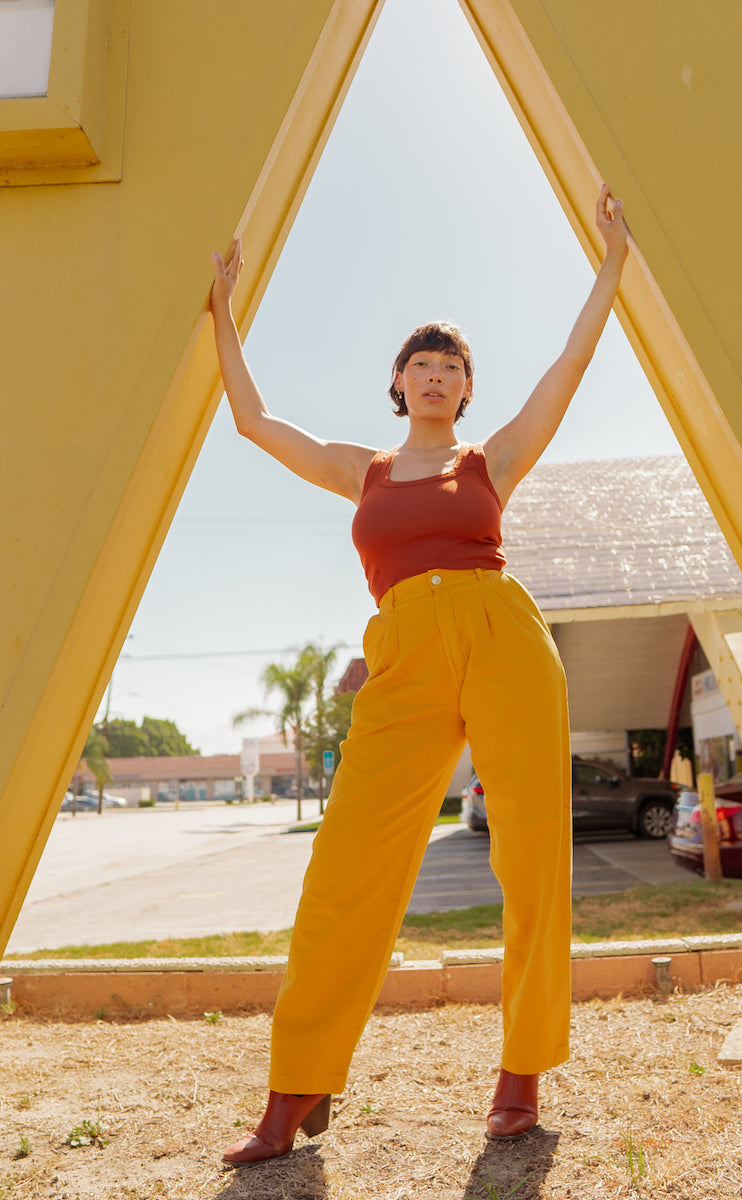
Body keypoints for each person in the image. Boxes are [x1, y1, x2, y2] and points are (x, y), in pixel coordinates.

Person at [209, 185, 629, 1165]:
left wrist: (611, 262)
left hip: (501, 636)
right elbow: (253, 420)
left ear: (465, 390)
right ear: (396, 384)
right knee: (346, 866)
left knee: (529, 856)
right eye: (420, 364)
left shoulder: (493, 460)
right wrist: (221, 310)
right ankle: (295, 1088)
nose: (434, 376)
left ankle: (520, 1071)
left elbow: (569, 366)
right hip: (402, 652)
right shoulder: (360, 468)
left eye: (451, 367)